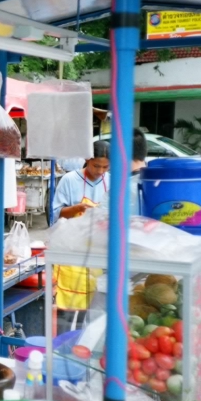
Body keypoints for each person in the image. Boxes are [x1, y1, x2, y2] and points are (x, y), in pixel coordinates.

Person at [52, 141, 111, 330]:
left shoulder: (112, 182)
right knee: (68, 316)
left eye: (105, 167)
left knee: (95, 314)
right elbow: (55, 213)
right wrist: (76, 209)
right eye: (96, 165)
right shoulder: (69, 180)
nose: (100, 170)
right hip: (72, 256)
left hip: (99, 255)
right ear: (87, 159)